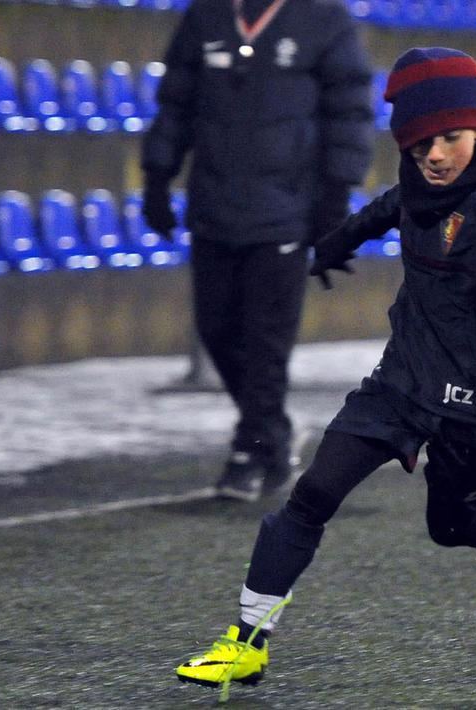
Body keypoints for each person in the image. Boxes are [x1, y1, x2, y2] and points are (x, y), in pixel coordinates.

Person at [174, 47, 476, 696]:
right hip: (400, 386)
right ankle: (246, 643)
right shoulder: (419, 182)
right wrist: (335, 243)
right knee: (310, 497)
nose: (437, 157)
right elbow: (389, 207)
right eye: (421, 146)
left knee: (455, 531)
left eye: (449, 138)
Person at [140, 0, 375, 501]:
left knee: (266, 339)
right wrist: (157, 177)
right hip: (213, 205)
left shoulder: (324, 19)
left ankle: (249, 449)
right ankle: (274, 434)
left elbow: (349, 112)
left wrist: (335, 199)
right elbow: (175, 102)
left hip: (287, 209)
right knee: (216, 326)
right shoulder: (206, 16)